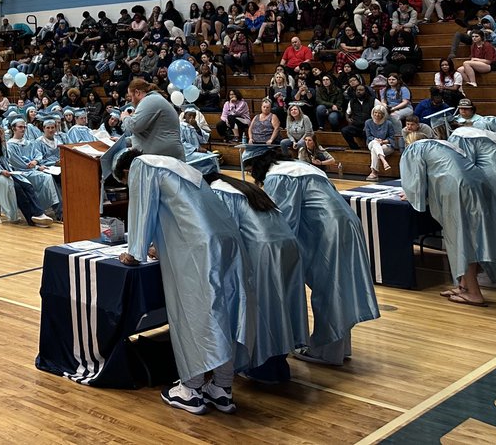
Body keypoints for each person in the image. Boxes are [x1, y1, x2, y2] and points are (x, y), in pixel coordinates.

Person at [114, 151, 253, 415]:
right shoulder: (177, 165)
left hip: (197, 248)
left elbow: (142, 209)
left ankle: (191, 389)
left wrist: (135, 252)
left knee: (194, 313)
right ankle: (222, 388)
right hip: (225, 241)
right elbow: (181, 213)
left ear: (125, 172)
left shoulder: (141, 166)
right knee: (224, 312)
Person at [249, 153, 380, 365]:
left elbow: (283, 220)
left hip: (328, 231)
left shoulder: (279, 176)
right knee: (340, 287)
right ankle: (340, 347)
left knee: (327, 290)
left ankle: (325, 351)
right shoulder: (307, 169)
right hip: (348, 225)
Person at [205, 171, 308, 383]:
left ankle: (263, 367)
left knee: (261, 307)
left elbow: (223, 233)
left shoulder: (218, 192)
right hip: (286, 244)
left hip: (262, 249)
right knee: (281, 305)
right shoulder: (245, 189)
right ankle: (279, 362)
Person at [400, 138, 496, 307]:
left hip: (457, 188)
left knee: (461, 239)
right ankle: (464, 286)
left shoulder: (414, 148)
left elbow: (414, 179)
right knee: (472, 236)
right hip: (476, 182)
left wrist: (412, 195)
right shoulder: (442, 144)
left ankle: (474, 293)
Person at [0, 120, 52, 226]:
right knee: (16, 187)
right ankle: (30, 218)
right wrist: (0, 171)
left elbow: (5, 158)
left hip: (6, 171)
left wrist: (2, 142)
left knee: (27, 185)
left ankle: (39, 214)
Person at [120, 79, 184, 160]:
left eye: (131, 96)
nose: (132, 101)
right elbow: (147, 133)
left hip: (164, 158)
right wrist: (122, 141)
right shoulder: (154, 99)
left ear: (137, 92)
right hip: (163, 156)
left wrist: (125, 117)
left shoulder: (150, 100)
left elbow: (134, 126)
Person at [364, 105, 398, 181]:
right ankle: (384, 161)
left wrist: (383, 141)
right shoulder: (368, 122)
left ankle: (374, 173)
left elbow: (391, 138)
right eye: (375, 112)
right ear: (373, 113)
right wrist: (376, 140)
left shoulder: (388, 123)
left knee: (374, 150)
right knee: (375, 143)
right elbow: (369, 137)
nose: (377, 115)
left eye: (379, 113)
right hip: (372, 143)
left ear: (383, 114)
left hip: (386, 145)